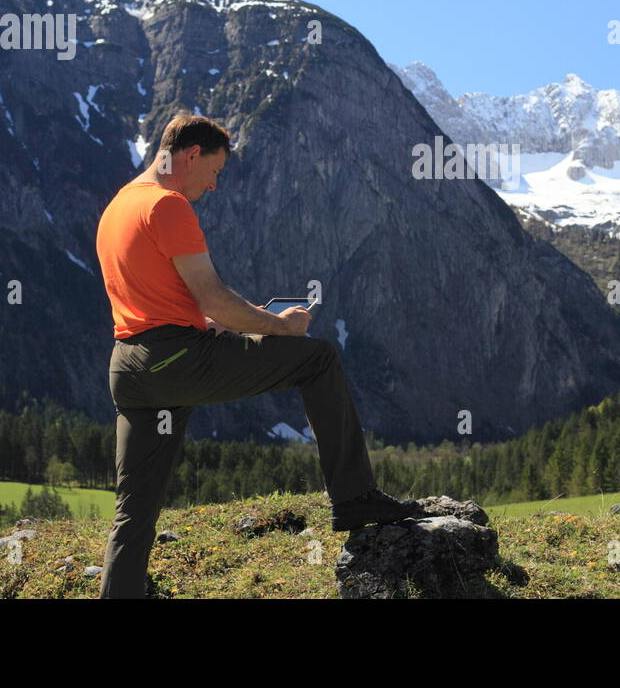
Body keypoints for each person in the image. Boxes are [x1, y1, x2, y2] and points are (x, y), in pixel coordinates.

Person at [94, 112, 426, 599]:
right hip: (175, 361)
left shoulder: (119, 205)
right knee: (317, 358)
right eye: (214, 172)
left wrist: (209, 322)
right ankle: (355, 499)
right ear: (190, 156)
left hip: (129, 366)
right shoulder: (167, 207)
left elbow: (159, 300)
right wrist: (279, 325)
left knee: (135, 508)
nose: (213, 187)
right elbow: (212, 295)